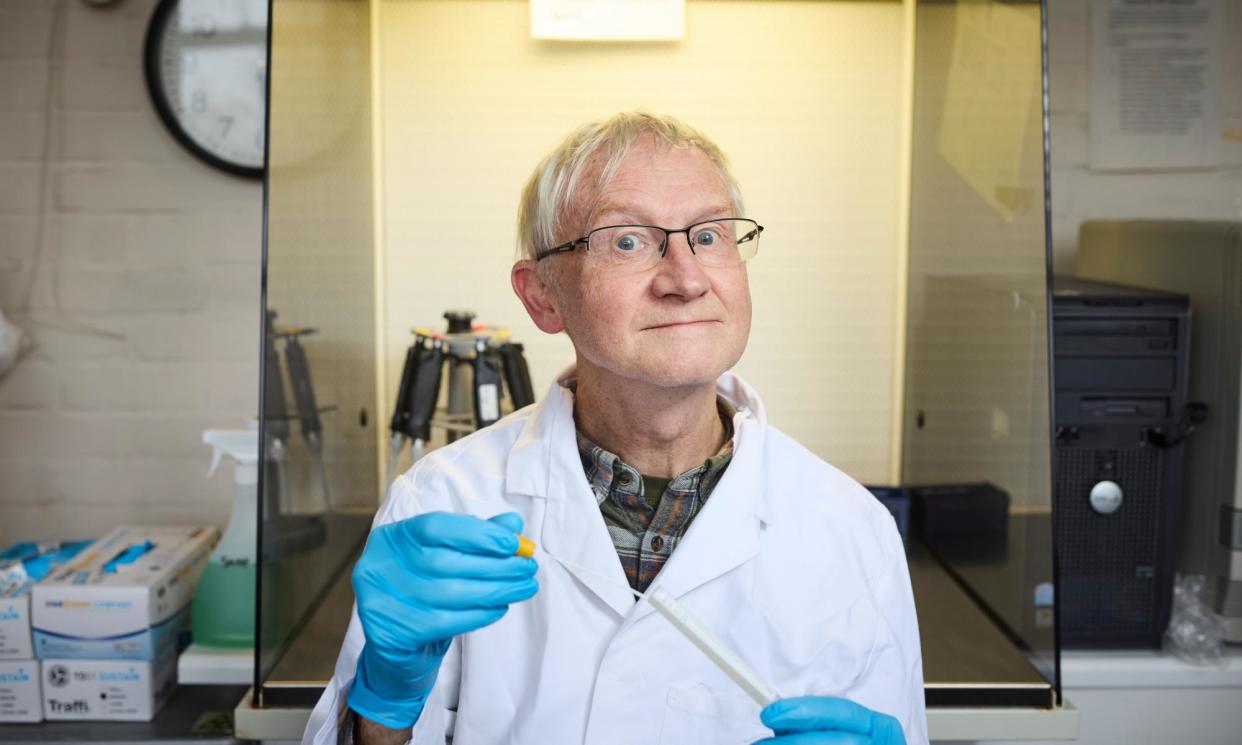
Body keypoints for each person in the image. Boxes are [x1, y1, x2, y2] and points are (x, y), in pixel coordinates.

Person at [303, 112, 928, 745]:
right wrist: (383, 701)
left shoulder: (852, 529)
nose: (686, 280)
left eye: (709, 236)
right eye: (628, 241)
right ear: (543, 296)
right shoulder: (446, 501)